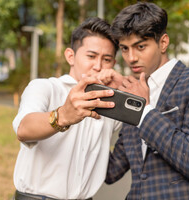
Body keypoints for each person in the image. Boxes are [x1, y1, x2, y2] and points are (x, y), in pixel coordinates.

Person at [102, 2, 189, 199]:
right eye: (124, 49)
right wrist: (89, 109)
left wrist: (143, 111)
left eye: (140, 46)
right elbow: (110, 171)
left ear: (163, 43)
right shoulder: (132, 94)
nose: (131, 57)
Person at [12, 17, 122, 200]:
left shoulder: (111, 102)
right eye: (91, 56)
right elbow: (24, 129)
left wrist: (124, 86)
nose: (98, 66)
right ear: (70, 56)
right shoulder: (45, 87)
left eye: (107, 59)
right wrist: (62, 115)